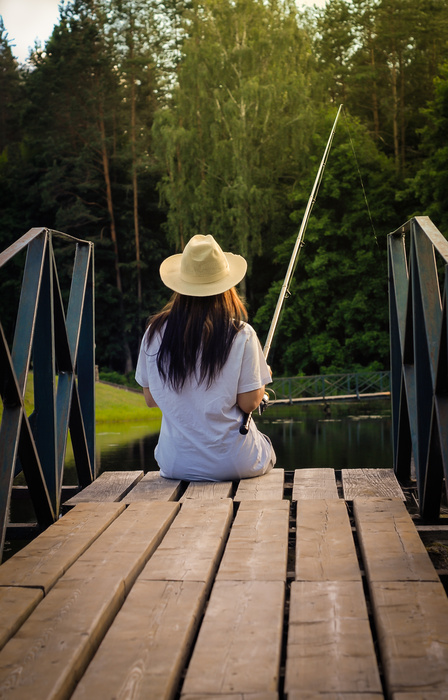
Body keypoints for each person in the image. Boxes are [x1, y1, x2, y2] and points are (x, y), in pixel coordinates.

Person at [135, 234, 276, 481]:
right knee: (266, 447)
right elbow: (250, 404)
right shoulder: (241, 334)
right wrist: (262, 381)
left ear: (181, 285)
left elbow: (150, 398)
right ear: (226, 288)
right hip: (233, 464)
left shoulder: (154, 333)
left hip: (175, 464)